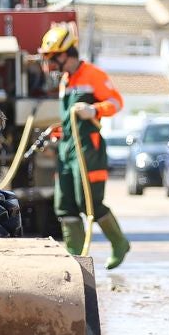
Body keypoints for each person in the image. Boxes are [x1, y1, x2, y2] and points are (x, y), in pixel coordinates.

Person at [38, 22, 130, 268]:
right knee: (65, 205)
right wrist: (57, 135)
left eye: (52, 57)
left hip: (89, 149)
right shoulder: (65, 81)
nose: (50, 63)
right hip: (67, 150)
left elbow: (117, 103)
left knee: (90, 203)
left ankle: (119, 242)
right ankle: (74, 259)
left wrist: (94, 110)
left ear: (66, 53)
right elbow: (68, 119)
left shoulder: (93, 75)